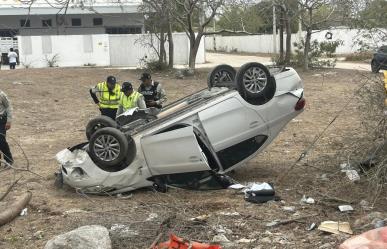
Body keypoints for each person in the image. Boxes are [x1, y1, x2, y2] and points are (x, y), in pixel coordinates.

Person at [0, 90, 13, 166]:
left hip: (1, 120)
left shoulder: (1, 94)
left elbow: (8, 107)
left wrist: (9, 121)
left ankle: (9, 160)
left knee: (1, 140)